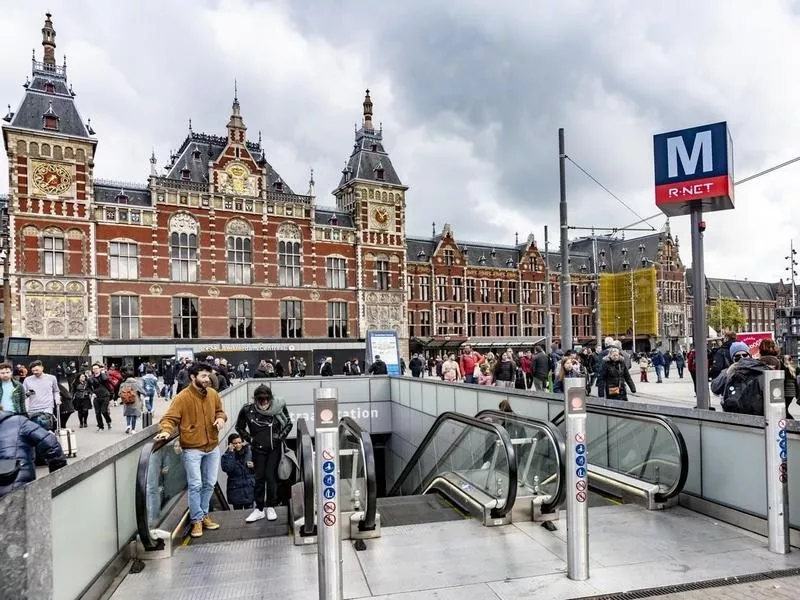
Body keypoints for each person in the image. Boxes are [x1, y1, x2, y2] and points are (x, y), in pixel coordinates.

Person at [155, 363, 227, 538]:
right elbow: (169, 418)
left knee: (209, 483)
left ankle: (203, 515)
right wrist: (165, 430)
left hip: (212, 446)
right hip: (192, 449)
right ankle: (196, 520)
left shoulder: (213, 394)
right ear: (193, 377)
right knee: (195, 485)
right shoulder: (182, 397)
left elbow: (220, 411)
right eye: (203, 376)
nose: (207, 379)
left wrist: (220, 419)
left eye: (208, 376)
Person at [235, 384, 292, 523]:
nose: (264, 403)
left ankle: (271, 506)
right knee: (259, 477)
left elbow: (289, 423)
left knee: (270, 477)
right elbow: (239, 427)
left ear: (271, 399)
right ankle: (259, 508)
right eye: (261, 400)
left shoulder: (279, 406)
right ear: (255, 400)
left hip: (274, 448)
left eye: (267, 400)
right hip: (258, 449)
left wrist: (280, 437)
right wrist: (250, 439)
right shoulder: (247, 409)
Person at [0, 409, 67, 498]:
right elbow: (52, 446)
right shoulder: (19, 422)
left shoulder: (19, 422)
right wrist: (58, 478)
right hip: (20, 493)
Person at [711, 342, 769, 415]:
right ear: (732, 358)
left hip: (751, 412)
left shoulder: (757, 369)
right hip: (731, 413)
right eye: (737, 356)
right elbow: (715, 388)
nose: (741, 358)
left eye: (744, 355)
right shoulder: (728, 371)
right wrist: (728, 372)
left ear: (749, 356)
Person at [22, 360, 61, 432]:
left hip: (47, 408)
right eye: (33, 371)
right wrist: (28, 393)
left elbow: (56, 391)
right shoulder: (27, 380)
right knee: (36, 432)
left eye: (37, 370)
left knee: (44, 427)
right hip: (32, 410)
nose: (35, 372)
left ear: (42, 368)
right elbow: (23, 396)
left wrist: (57, 399)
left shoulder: (51, 378)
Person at [221, 433, 255, 510]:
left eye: (239, 442)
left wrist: (254, 465)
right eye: (235, 443)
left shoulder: (250, 452)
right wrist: (231, 452)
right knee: (237, 515)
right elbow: (227, 468)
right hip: (235, 490)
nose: (238, 445)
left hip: (249, 489)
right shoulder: (226, 455)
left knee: (249, 513)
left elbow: (259, 468)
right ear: (230, 444)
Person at [88, 363, 113, 431]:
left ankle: (108, 421)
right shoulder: (91, 378)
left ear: (99, 369)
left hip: (105, 395)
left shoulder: (104, 376)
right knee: (97, 412)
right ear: (92, 370)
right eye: (94, 369)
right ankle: (100, 426)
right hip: (96, 396)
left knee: (104, 411)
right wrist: (92, 393)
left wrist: (111, 394)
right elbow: (88, 388)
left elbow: (108, 382)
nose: (95, 370)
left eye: (96, 368)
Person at [118, 369, 144, 434]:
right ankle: (133, 429)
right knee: (134, 415)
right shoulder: (136, 383)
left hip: (126, 401)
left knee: (128, 414)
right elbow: (142, 391)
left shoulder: (123, 384)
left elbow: (119, 393)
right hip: (135, 400)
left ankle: (128, 425)